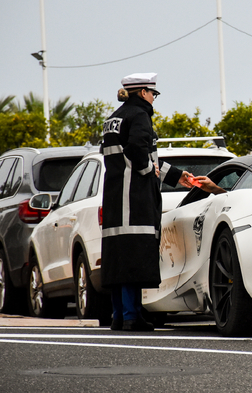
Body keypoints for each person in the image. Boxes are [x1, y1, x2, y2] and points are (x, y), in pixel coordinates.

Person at [101, 73, 195, 331]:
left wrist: (177, 176)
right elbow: (138, 153)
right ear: (143, 92)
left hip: (115, 200)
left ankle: (119, 316)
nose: (154, 98)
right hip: (135, 200)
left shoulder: (114, 118)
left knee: (119, 256)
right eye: (153, 93)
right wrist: (146, 171)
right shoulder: (140, 115)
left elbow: (143, 156)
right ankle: (132, 316)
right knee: (133, 255)